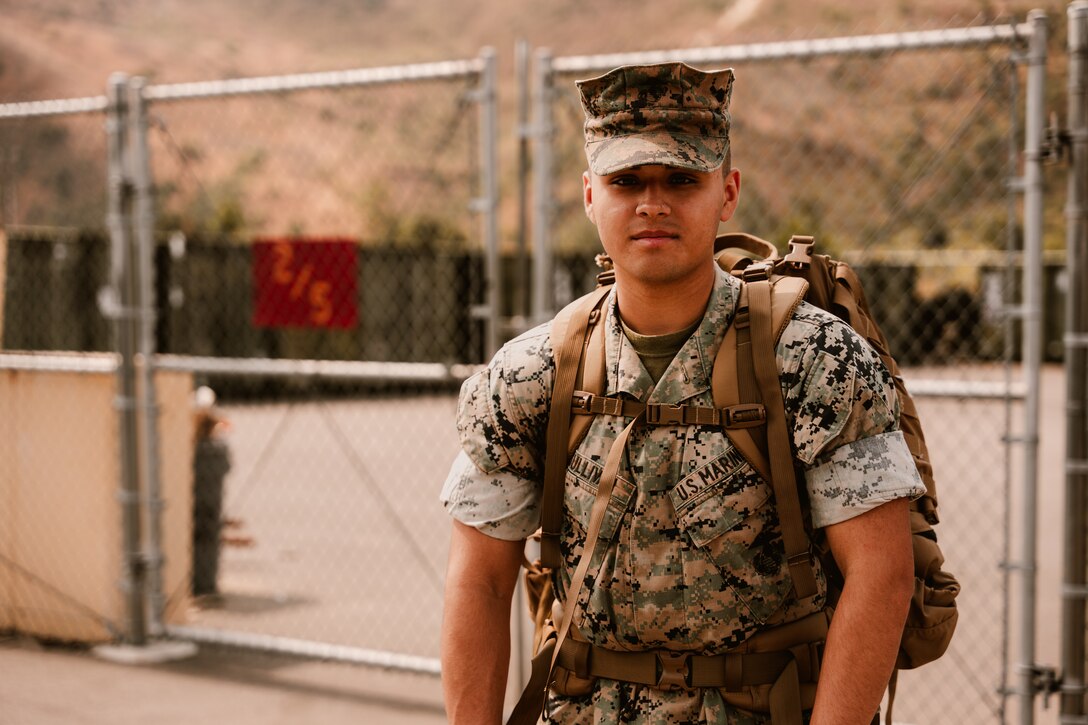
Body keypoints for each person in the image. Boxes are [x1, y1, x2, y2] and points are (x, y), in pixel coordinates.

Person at [440, 62, 925, 724]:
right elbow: (481, 579)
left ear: (727, 192)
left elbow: (881, 576)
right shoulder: (530, 374)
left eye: (681, 179)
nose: (652, 203)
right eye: (626, 181)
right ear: (589, 194)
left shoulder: (814, 360)